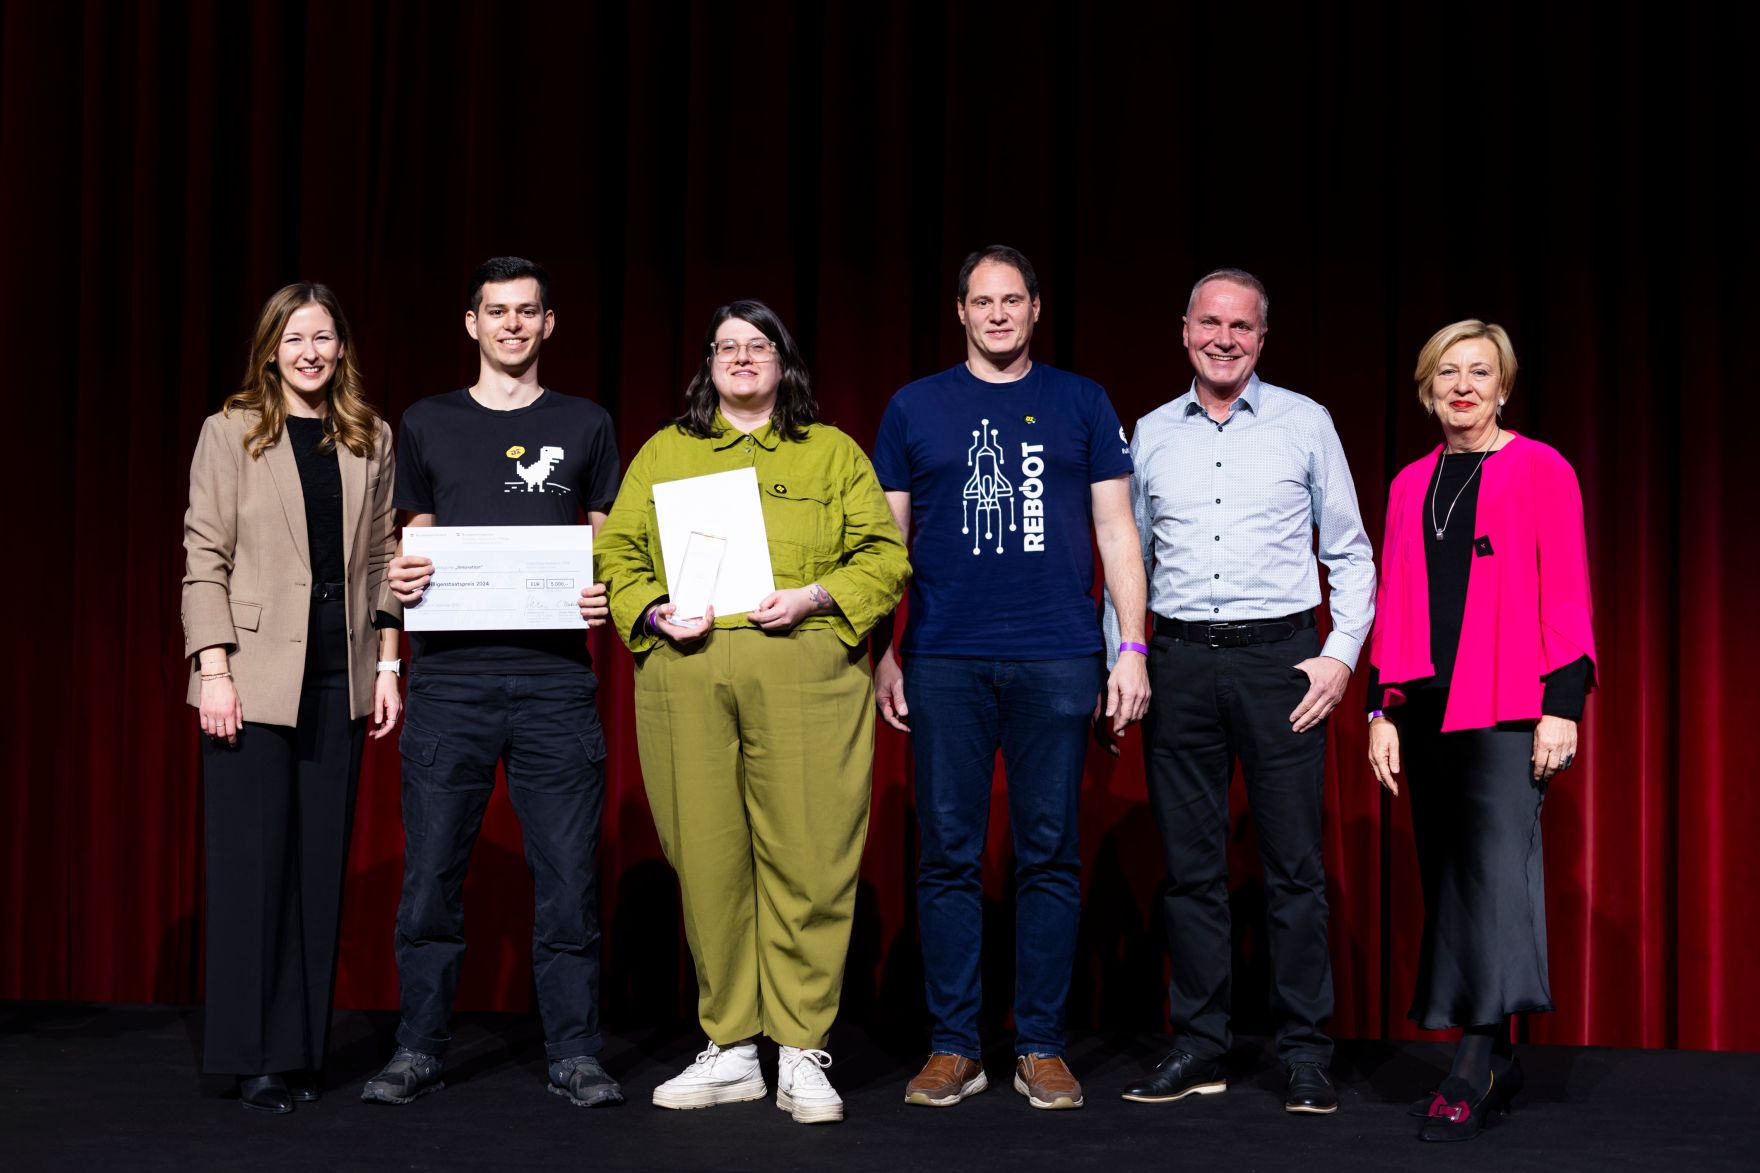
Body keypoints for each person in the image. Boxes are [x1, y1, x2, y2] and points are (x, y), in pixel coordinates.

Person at [597, 299, 908, 1125]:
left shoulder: (831, 453)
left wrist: (814, 595)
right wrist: (657, 611)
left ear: (782, 361)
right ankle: (731, 1045)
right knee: (706, 859)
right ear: (708, 363)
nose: (741, 358)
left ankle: (802, 1047)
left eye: (757, 345)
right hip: (687, 677)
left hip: (806, 677)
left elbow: (884, 554)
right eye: (726, 346)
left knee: (809, 854)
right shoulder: (666, 451)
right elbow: (618, 552)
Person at [872, 245, 1149, 1112]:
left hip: (1056, 655)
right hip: (945, 657)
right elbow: (887, 545)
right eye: (982, 301)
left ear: (1035, 310)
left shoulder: (1082, 402)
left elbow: (1117, 532)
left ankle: (1040, 1043)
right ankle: (955, 1044)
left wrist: (1132, 647)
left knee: (1049, 855)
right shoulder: (915, 406)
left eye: (1012, 300)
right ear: (960, 311)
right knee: (948, 856)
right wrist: (884, 648)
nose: (997, 314)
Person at [1105, 268, 1375, 1115]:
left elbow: (1352, 553)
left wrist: (1337, 656)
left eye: (1243, 327)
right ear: (1185, 329)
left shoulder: (1305, 423)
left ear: (1263, 338)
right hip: (1178, 664)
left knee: (1294, 869)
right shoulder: (1148, 433)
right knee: (1190, 872)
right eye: (1211, 323)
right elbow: (1125, 565)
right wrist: (1126, 654)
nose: (1225, 338)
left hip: (1282, 663)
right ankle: (1201, 1043)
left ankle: (1304, 1051)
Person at [360, 257, 624, 1109]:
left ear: (549, 325)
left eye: (526, 312)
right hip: (452, 685)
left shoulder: (585, 423)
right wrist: (397, 623)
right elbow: (414, 553)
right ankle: (418, 1046)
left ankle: (576, 1051)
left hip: (554, 684)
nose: (511, 325)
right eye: (495, 311)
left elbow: (607, 549)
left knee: (569, 878)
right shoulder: (427, 423)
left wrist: (605, 591)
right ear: (470, 324)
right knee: (432, 875)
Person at [1365, 320, 1595, 1142]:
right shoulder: (1407, 484)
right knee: (1452, 882)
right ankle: (1492, 1052)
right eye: (1448, 372)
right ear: (1428, 387)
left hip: (1507, 705)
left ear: (1503, 386)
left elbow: (1567, 590)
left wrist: (1561, 704)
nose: (1464, 385)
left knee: (1495, 881)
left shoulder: (1542, 468)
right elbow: (1393, 603)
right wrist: (1380, 712)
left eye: (1481, 372)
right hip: (1424, 707)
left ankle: (1474, 1063)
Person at [182, 282, 401, 1113]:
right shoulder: (229, 431)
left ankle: (300, 1047)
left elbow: (383, 564)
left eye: (324, 336)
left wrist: (387, 666)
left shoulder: (370, 437)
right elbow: (204, 554)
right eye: (295, 336)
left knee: (315, 872)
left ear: (341, 347)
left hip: (336, 678)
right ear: (271, 347)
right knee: (252, 873)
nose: (310, 351)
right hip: (250, 677)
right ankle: (252, 1057)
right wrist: (214, 670)